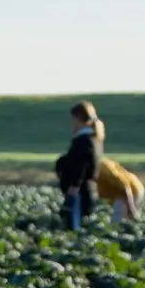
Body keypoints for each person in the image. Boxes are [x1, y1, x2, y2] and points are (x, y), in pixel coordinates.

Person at [55, 99, 105, 231]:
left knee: (74, 230)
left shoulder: (83, 142)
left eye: (72, 119)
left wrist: (72, 191)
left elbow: (80, 168)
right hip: (87, 191)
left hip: (79, 194)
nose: (71, 124)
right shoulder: (94, 139)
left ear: (78, 119)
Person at [97, 157, 145, 223]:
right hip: (117, 194)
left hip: (132, 190)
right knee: (122, 219)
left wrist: (131, 208)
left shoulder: (104, 168)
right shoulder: (84, 166)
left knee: (119, 219)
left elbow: (124, 186)